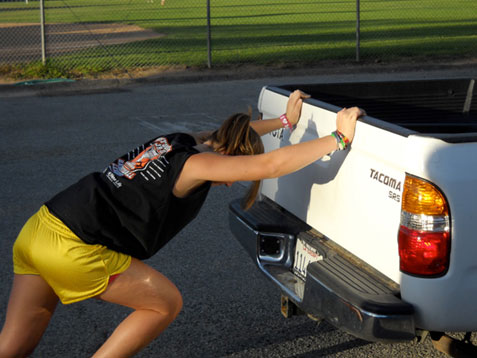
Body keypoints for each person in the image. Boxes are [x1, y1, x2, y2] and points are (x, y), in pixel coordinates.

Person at [0, 90, 365, 358]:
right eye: (235, 173)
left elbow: (229, 133)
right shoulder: (197, 166)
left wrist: (284, 122)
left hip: (40, 228)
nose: (230, 181)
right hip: (72, 245)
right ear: (231, 157)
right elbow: (268, 166)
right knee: (164, 303)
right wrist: (337, 137)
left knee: (13, 347)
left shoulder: (180, 142)